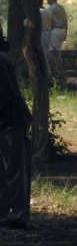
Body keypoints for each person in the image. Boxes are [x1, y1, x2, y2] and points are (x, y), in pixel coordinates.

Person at [0, 32, 32, 229]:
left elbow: (6, 94)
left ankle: (18, 214)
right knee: (8, 171)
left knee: (14, 171)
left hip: (9, 120)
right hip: (7, 120)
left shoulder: (1, 62)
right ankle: (9, 212)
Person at [46, 0, 67, 81]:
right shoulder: (61, 8)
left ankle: (57, 73)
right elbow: (66, 21)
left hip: (55, 31)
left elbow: (49, 22)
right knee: (56, 52)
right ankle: (59, 72)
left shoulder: (51, 9)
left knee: (53, 53)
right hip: (62, 30)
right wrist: (66, 34)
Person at [37, 0, 53, 75]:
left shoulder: (39, 12)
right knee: (47, 52)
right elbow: (54, 23)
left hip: (42, 33)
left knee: (43, 53)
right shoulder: (48, 11)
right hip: (49, 32)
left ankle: (47, 72)